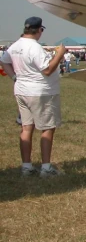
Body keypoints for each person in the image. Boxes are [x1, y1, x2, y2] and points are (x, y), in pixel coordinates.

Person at [0, 17, 65, 177]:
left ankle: (27, 166)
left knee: (26, 127)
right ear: (39, 30)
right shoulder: (34, 47)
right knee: (48, 128)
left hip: (22, 90)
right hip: (41, 92)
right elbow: (47, 70)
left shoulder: (15, 46)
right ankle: (46, 167)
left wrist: (15, 77)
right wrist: (60, 54)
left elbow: (4, 62)